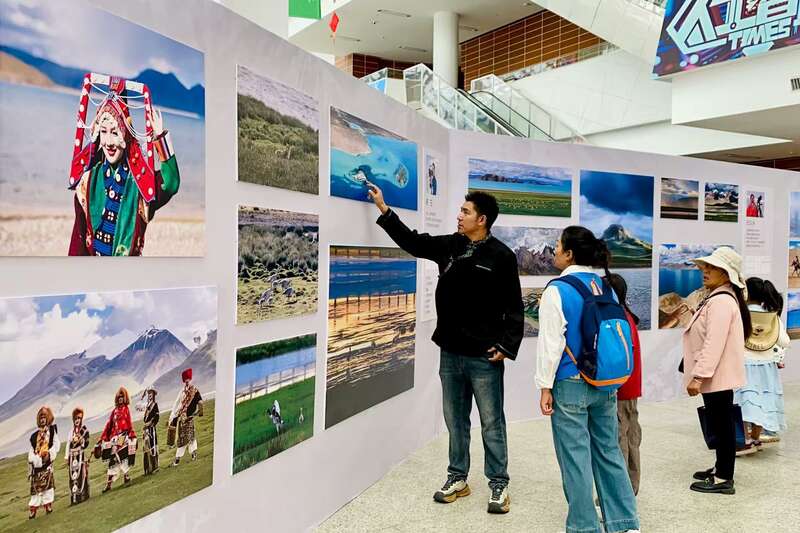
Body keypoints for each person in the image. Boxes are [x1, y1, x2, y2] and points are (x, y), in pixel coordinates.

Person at [367, 183, 523, 514]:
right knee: (455, 421)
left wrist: (507, 346)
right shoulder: (451, 246)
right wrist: (383, 208)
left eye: (465, 212)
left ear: (482, 219)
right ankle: (458, 478)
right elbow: (413, 242)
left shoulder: (502, 256)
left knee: (491, 422)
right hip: (450, 352)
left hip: (484, 356)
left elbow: (514, 307)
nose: (459, 216)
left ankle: (499, 484)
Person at [535, 226, 640, 533]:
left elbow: (551, 344)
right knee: (609, 451)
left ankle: (584, 527)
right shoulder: (605, 286)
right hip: (604, 383)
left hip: (570, 383)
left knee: (575, 459)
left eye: (558, 246)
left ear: (569, 254)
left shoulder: (557, 289)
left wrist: (544, 386)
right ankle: (624, 524)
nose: (554, 250)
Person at [68, 75, 180, 256]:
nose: (109, 142)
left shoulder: (140, 184)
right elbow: (78, 242)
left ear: (126, 135)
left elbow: (171, 184)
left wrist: (160, 139)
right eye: (104, 132)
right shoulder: (87, 182)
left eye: (115, 132)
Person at [683, 246, 750, 495]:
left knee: (722, 425)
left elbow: (714, 343)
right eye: (705, 266)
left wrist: (698, 376)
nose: (705, 271)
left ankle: (723, 478)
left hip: (716, 375)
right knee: (720, 423)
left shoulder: (721, 301)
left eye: (712, 267)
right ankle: (721, 467)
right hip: (718, 375)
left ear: (726, 273)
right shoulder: (720, 297)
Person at [734, 278, 790, 452]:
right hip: (767, 367)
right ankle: (756, 438)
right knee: (763, 401)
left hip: (744, 363)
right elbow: (784, 341)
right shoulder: (772, 316)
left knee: (744, 401)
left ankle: (745, 440)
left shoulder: (740, 313)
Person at [606, 273, 643, 496]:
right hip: (630, 388)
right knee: (630, 437)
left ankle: (620, 491)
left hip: (620, 389)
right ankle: (630, 487)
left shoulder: (618, 320)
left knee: (620, 438)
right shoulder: (627, 316)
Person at [99, 387, 137, 492]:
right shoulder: (114, 411)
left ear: (124, 398)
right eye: (119, 397)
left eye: (122, 397)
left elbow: (129, 422)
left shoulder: (126, 409)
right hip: (115, 437)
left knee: (122, 455)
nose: (120, 399)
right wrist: (102, 437)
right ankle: (109, 484)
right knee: (113, 459)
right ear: (117, 398)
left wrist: (131, 434)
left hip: (123, 435)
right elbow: (109, 425)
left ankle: (126, 476)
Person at [28, 406, 60, 519]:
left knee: (48, 488)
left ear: (48, 418)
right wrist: (34, 459)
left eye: (44, 417)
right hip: (37, 466)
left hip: (47, 464)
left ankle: (48, 506)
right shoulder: (34, 436)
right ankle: (33, 510)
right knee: (35, 491)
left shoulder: (52, 431)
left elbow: (56, 445)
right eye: (41, 418)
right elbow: (31, 450)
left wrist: (49, 455)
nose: (42, 420)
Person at [169, 368, 204, 466]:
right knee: (181, 439)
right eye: (185, 380)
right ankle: (178, 459)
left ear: (190, 379)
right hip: (182, 418)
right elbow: (177, 404)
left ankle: (192, 455)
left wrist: (198, 412)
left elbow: (200, 402)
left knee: (191, 437)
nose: (187, 381)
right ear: (184, 381)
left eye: (188, 379)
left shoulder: (195, 391)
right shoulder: (182, 392)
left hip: (189, 418)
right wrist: (173, 416)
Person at [65, 407, 91, 505]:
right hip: (72, 457)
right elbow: (68, 444)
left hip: (80, 455)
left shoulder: (84, 430)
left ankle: (82, 496)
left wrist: (81, 440)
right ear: (73, 419)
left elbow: (86, 443)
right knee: (73, 477)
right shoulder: (70, 432)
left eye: (79, 418)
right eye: (76, 418)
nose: (77, 420)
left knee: (81, 475)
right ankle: (74, 498)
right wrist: (66, 457)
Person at [138, 388, 160, 475]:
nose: (150, 394)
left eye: (151, 393)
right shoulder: (146, 405)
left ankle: (155, 467)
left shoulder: (155, 404)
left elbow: (157, 417)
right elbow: (138, 407)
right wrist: (142, 397)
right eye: (149, 393)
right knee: (146, 447)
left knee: (152, 445)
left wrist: (150, 423)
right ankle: (148, 469)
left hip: (151, 429)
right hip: (146, 430)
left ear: (154, 395)